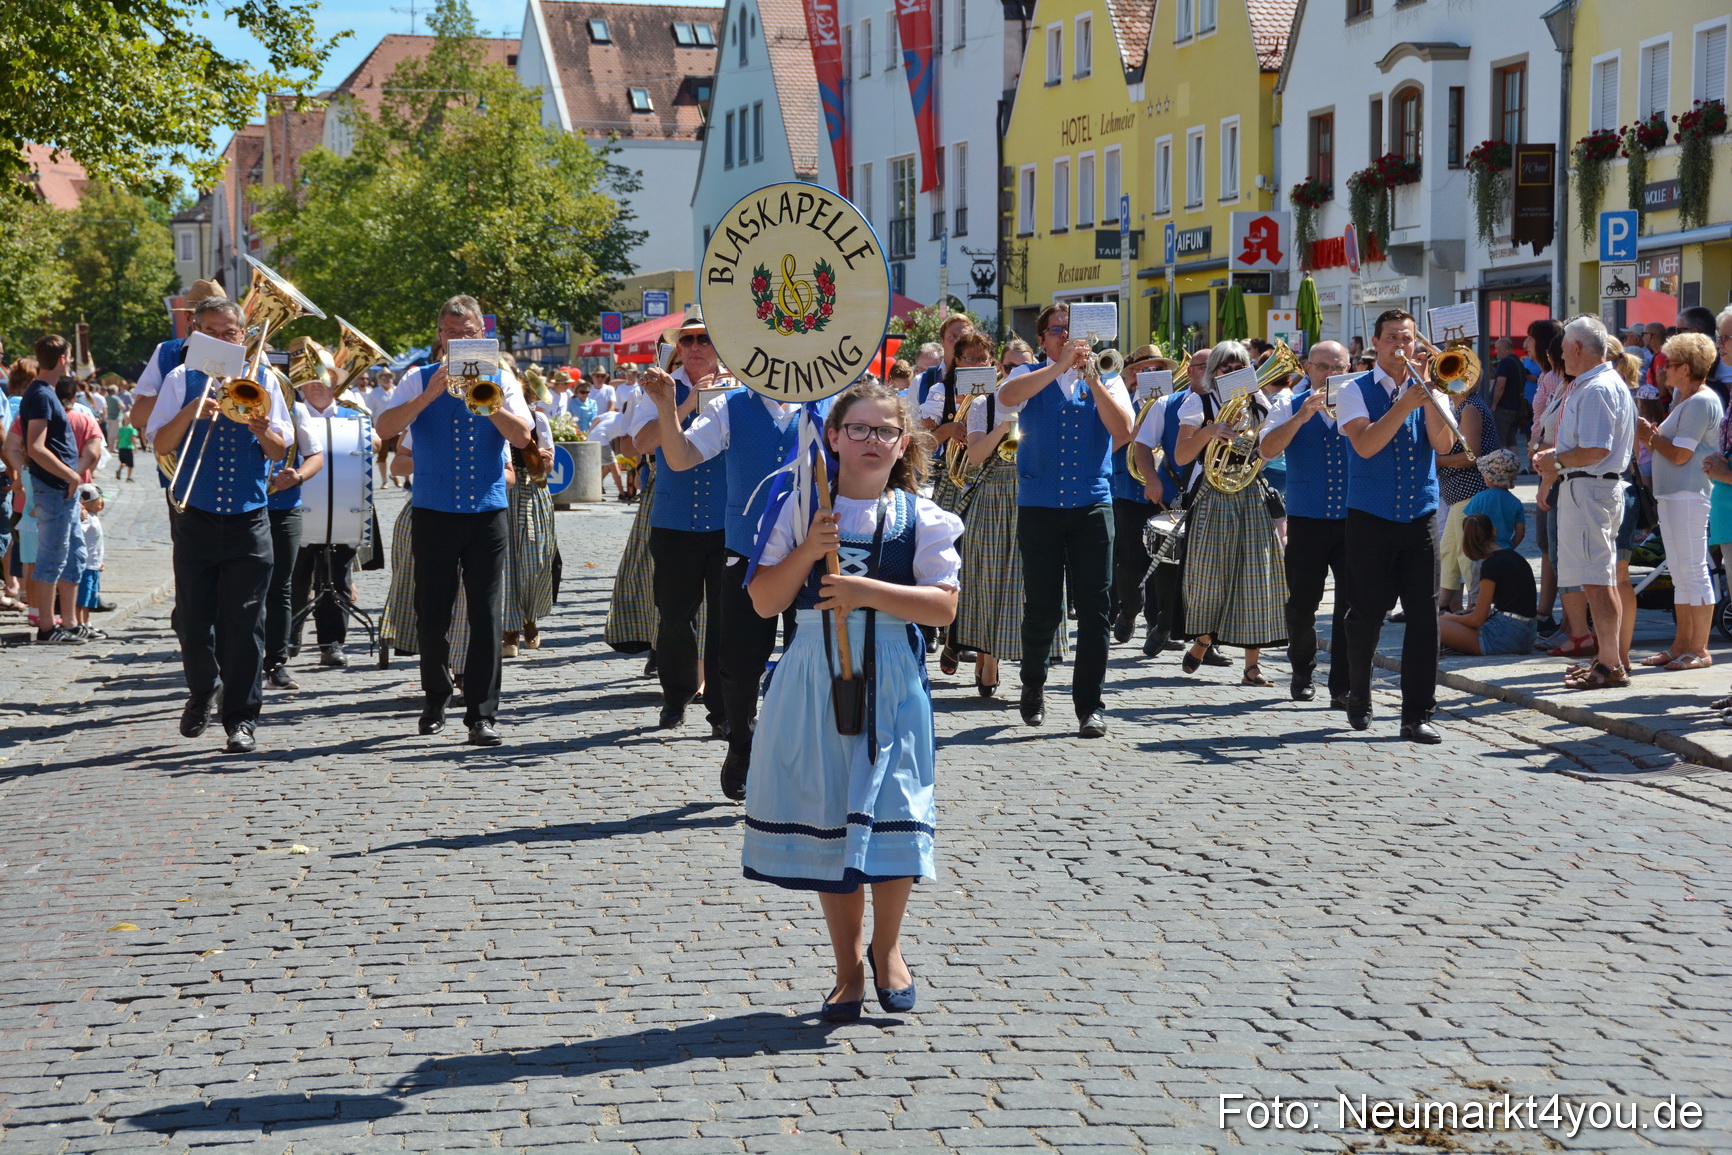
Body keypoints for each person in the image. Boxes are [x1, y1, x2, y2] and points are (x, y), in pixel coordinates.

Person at [740, 379, 961, 1022]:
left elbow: (944, 607)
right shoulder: (800, 507)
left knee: (895, 808)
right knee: (835, 816)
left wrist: (867, 591)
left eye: (884, 431)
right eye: (857, 429)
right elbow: (764, 601)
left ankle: (887, 951)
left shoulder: (921, 516)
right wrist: (810, 549)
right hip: (815, 670)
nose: (871, 441)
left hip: (892, 673)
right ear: (832, 437)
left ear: (902, 444)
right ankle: (846, 968)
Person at [647, 307, 825, 798]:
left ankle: (802, 753)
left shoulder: (825, 406)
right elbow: (681, 459)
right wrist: (666, 406)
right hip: (747, 553)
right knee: (740, 662)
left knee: (810, 657)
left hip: (814, 556)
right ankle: (742, 743)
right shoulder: (731, 405)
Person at [375, 295, 535, 746]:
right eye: (452, 334)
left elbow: (523, 436)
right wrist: (428, 396)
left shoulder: (501, 377)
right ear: (440, 337)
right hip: (433, 512)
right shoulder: (417, 378)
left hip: (486, 512)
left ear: (482, 335)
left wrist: (489, 402)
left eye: (470, 334)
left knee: (486, 615)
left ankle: (481, 714)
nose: (461, 341)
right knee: (433, 613)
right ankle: (435, 696)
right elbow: (385, 429)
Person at [146, 296, 294, 752]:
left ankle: (242, 719)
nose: (221, 339)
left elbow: (279, 450)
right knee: (193, 620)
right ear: (196, 333)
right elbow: (159, 443)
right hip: (195, 516)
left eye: (229, 333)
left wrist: (261, 426)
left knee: (246, 622)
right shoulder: (179, 378)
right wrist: (192, 411)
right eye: (211, 332)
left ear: (243, 337)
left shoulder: (264, 379)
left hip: (249, 519)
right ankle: (202, 688)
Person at [996, 303, 1134, 738]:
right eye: (1058, 331)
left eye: (1074, 332)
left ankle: (1089, 705)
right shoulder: (1027, 375)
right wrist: (1058, 367)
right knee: (1042, 606)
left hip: (1092, 505)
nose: (1067, 338)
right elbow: (1006, 399)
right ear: (1042, 339)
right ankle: (1033, 682)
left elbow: (1124, 430)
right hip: (1039, 506)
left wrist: (1092, 379)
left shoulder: (1108, 377)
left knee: (1096, 609)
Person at [1337, 309, 1460, 743]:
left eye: (1407, 339)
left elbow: (1444, 445)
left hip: (1420, 517)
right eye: (1392, 339)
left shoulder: (1432, 391)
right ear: (1376, 344)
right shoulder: (1353, 391)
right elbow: (1367, 444)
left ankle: (1417, 714)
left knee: (1425, 617)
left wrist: (1426, 397)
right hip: (1370, 517)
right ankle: (1359, 692)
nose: (1401, 347)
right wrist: (1403, 404)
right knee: (1367, 614)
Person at [631, 308, 733, 733]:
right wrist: (685, 401)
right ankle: (676, 697)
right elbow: (641, 442)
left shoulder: (740, 387)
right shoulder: (658, 387)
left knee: (727, 618)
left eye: (703, 339)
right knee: (674, 616)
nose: (694, 347)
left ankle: (723, 707)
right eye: (686, 340)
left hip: (729, 519)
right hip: (674, 518)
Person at [947, 332, 1065, 695]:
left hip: (1035, 492)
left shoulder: (1048, 399)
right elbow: (977, 455)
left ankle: (1022, 665)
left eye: (1023, 366)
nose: (1016, 372)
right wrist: (1005, 424)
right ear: (1001, 369)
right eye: (1010, 367)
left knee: (1029, 586)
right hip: (994, 497)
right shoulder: (987, 403)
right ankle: (989, 658)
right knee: (990, 581)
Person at [1171, 342, 1287, 689]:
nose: (1233, 373)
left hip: (1249, 492)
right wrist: (1209, 431)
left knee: (1256, 578)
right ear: (1213, 372)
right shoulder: (1199, 402)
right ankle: (1203, 639)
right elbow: (1180, 456)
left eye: (1240, 367)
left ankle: (1252, 667)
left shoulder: (1259, 403)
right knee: (1209, 577)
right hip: (1212, 493)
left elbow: (1271, 450)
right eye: (1225, 368)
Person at [1532, 315, 1636, 691]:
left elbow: (1596, 448)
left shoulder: (1597, 388)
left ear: (1577, 348)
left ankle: (1611, 664)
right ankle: (1609, 659)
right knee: (1597, 579)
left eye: (1562, 349)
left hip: (1592, 488)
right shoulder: (1594, 384)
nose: (1560, 355)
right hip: (1587, 488)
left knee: (1598, 580)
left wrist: (1556, 461)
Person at [1259, 339, 1353, 705]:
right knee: (1301, 604)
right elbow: (1267, 450)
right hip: (1306, 519)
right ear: (1307, 369)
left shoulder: (1358, 405)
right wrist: (1302, 417)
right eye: (1323, 367)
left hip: (1352, 519)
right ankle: (1302, 670)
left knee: (1351, 605)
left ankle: (1342, 684)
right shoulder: (1288, 403)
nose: (1331, 374)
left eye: (1339, 368)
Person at [1635, 331, 1722, 671]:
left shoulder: (1700, 401)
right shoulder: (1686, 400)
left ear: (1685, 368)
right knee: (1682, 572)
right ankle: (1682, 644)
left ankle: (1698, 648)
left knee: (1693, 571)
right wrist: (1655, 436)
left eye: (1669, 364)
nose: (1663, 370)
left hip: (1689, 492)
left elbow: (1682, 454)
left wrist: (1650, 437)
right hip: (1676, 494)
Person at [290, 369, 378, 668]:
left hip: (342, 502)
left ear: (336, 384)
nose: (317, 386)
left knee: (337, 576)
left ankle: (332, 642)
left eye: (325, 380)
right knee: (294, 576)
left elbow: (376, 444)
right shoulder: (292, 411)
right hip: (299, 506)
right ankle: (289, 634)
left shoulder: (351, 412)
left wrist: (364, 432)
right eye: (311, 380)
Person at [1132, 348, 1209, 657]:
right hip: (1177, 495)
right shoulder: (1166, 404)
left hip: (1216, 496)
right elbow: (1142, 446)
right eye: (1204, 366)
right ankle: (1163, 621)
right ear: (1190, 371)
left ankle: (1204, 640)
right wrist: (1152, 479)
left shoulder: (1233, 403)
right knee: (1168, 567)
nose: (1211, 371)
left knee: (1207, 570)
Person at [20, 335, 88, 645]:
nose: (71, 362)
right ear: (62, 359)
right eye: (70, 356)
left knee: (73, 553)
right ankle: (48, 627)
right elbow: (35, 447)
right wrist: (72, 476)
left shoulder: (43, 392)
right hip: (55, 489)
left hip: (62, 490)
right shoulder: (43, 395)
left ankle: (70, 623)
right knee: (52, 556)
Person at [1108, 346, 1175, 645]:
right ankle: (1129, 610)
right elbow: (1108, 445)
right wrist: (1131, 433)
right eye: (1145, 369)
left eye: (1158, 369)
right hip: (1128, 491)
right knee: (1131, 562)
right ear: (1133, 374)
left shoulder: (1174, 403)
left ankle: (1159, 623)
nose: (1151, 375)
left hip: (1167, 493)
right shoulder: (1122, 403)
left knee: (1166, 563)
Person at [262, 388, 327, 690]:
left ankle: (276, 662)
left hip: (283, 507)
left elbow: (315, 456)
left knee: (280, 586)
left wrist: (298, 476)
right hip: (242, 508)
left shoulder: (295, 408)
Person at [1435, 374, 1500, 612]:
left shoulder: (1470, 408)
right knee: (1450, 553)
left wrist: (1441, 461)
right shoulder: (1463, 406)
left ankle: (1476, 607)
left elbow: (1472, 454)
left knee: (1467, 555)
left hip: (1470, 493)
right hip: (1460, 497)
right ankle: (1442, 607)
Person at [1437, 514, 1538, 656]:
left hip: (1505, 636)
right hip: (1527, 634)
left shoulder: (1490, 565)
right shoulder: (1515, 557)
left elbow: (1477, 620)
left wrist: (1449, 617)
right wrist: (1469, 613)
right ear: (1494, 532)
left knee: (1434, 624)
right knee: (1458, 619)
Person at [1463, 449, 1526, 550]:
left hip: (1482, 550)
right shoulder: (1515, 502)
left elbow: (1468, 525)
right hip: (1505, 551)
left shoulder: (1479, 498)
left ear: (1489, 477)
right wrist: (1509, 548)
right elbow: (1520, 532)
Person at [74, 484, 106, 636]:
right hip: (85, 565)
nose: (102, 504)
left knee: (89, 598)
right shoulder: (86, 519)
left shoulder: (94, 518)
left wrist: (99, 560)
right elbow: (78, 533)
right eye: (99, 501)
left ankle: (87, 623)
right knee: (82, 598)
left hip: (93, 565)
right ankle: (80, 623)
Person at [1488, 337, 1528, 453]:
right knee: (1512, 441)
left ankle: (1504, 469)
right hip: (1516, 407)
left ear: (1505, 349)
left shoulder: (1505, 363)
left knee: (1501, 441)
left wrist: (1494, 404)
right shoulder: (1519, 363)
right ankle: (1513, 468)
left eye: (1497, 348)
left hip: (1503, 407)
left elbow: (1500, 384)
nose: (1495, 352)